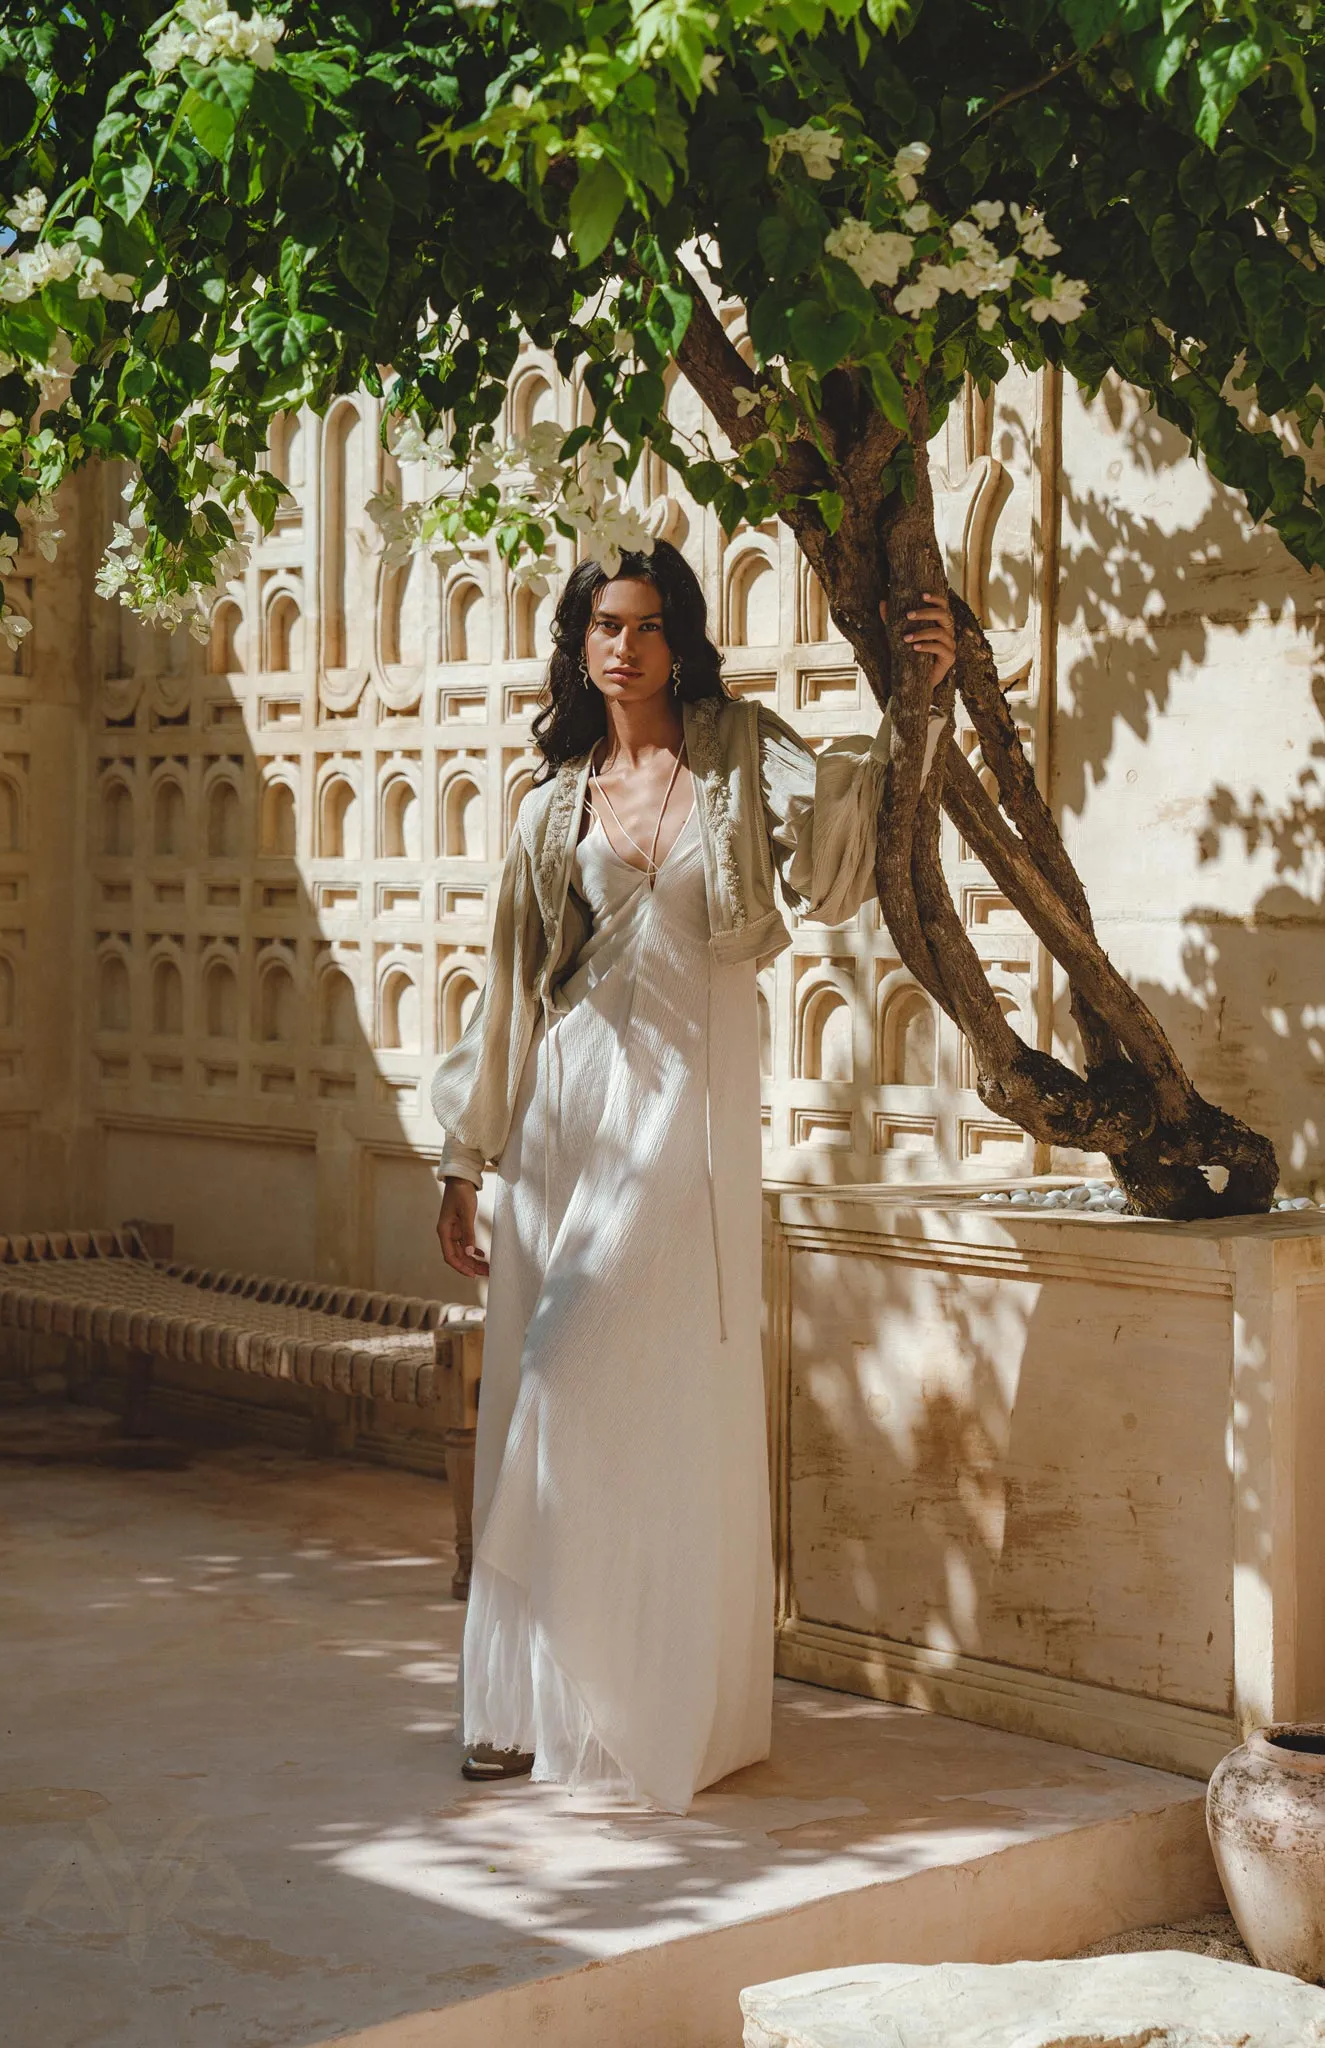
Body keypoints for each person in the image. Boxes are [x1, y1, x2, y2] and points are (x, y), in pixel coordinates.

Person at [433, 540, 956, 1813]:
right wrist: (466, 1156)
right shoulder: (552, 800)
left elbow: (838, 846)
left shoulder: (737, 749)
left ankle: (662, 1700)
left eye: (651, 623)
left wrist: (915, 705)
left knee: (654, 1396)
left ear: (682, 639)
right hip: (572, 1120)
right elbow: (508, 990)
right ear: (581, 641)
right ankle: (526, 1702)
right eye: (606, 623)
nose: (627, 645)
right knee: (551, 1375)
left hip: (694, 1117)